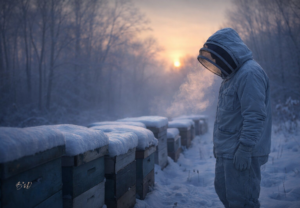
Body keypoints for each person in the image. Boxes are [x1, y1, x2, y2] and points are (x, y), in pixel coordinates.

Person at [197, 28, 272, 208]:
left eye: (216, 57)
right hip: (228, 151)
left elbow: (255, 115)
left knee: (242, 201)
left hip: (242, 152)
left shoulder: (249, 73)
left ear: (227, 52)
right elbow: (228, 116)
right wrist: (220, 147)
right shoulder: (232, 76)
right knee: (224, 192)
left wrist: (245, 148)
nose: (215, 62)